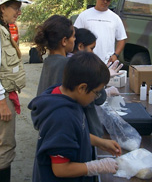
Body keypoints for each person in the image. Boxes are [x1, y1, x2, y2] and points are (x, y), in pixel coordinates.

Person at [28, 51, 121, 182]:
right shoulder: (61, 118)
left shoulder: (64, 94)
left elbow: (76, 132)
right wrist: (96, 166)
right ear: (82, 88)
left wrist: (101, 143)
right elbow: (61, 169)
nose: (96, 97)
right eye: (96, 93)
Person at [0, 0, 26, 181]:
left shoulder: (4, 29)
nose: (19, 12)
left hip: (5, 94)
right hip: (2, 97)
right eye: (15, 8)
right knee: (5, 146)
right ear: (2, 8)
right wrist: (2, 101)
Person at [74, 0, 127, 64]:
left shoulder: (115, 18)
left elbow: (122, 39)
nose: (105, 2)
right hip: (87, 61)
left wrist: (115, 55)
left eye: (108, 0)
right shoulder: (84, 15)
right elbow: (75, 35)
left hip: (107, 62)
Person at [35, 15, 75, 96]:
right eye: (73, 36)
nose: (75, 39)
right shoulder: (67, 63)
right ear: (64, 41)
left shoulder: (49, 60)